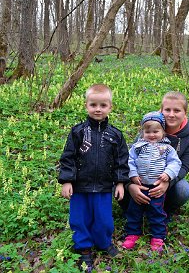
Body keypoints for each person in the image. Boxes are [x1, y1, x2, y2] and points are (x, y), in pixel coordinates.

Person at [58, 84, 129, 270]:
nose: (98, 109)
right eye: (93, 105)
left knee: (104, 219)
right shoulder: (77, 132)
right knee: (79, 218)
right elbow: (68, 157)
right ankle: (83, 247)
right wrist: (67, 180)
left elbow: (122, 161)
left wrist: (120, 183)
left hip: (104, 187)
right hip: (80, 187)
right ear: (86, 106)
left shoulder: (116, 135)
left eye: (103, 105)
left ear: (110, 107)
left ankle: (103, 242)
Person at [120, 91, 189, 221]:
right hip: (140, 179)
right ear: (161, 110)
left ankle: (163, 211)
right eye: (167, 110)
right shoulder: (150, 127)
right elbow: (129, 159)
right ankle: (131, 208)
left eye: (177, 110)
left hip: (163, 181)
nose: (171, 114)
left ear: (185, 113)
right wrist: (130, 185)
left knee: (183, 189)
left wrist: (168, 182)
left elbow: (184, 166)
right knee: (114, 179)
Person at [122, 111, 182, 252]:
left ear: (163, 132)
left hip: (156, 187)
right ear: (142, 132)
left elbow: (175, 163)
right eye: (148, 132)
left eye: (156, 131)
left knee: (157, 211)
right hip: (139, 185)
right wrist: (133, 175)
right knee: (134, 210)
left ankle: (158, 236)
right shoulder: (137, 147)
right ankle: (132, 234)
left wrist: (168, 173)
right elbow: (129, 162)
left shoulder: (167, 148)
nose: (152, 135)